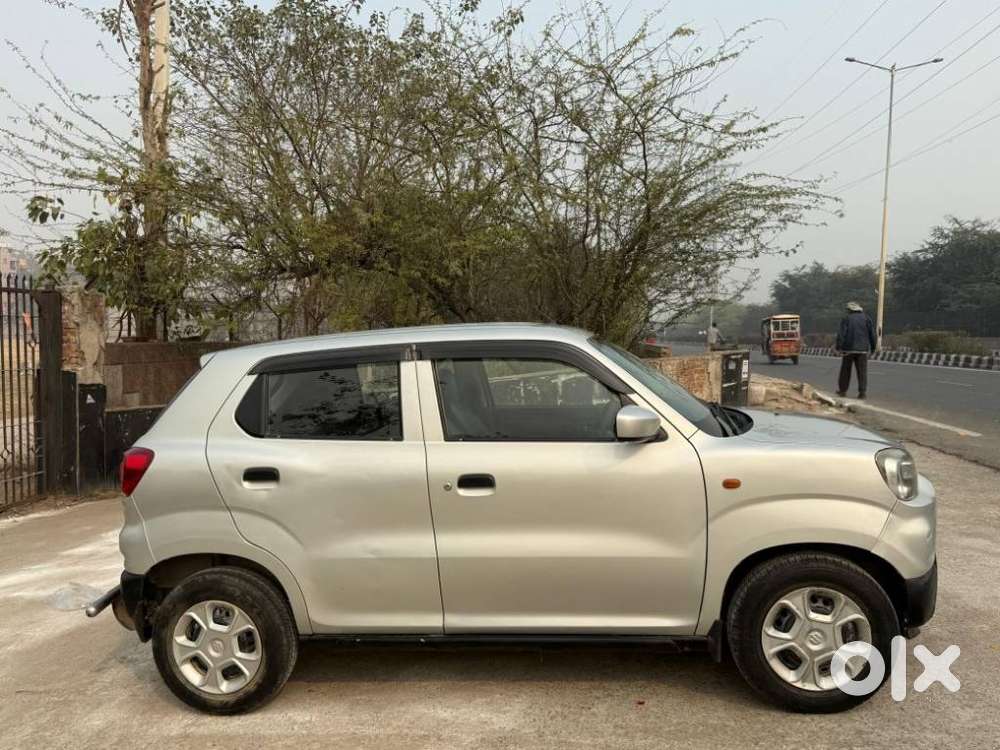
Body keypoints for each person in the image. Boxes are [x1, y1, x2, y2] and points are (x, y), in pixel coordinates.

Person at [835, 301, 877, 399]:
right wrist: (873, 348)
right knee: (862, 372)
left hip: (848, 349)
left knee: (845, 371)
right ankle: (862, 393)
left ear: (850, 310)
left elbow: (841, 334)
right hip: (862, 350)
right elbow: (872, 335)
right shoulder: (867, 318)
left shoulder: (846, 319)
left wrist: (839, 347)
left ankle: (842, 391)